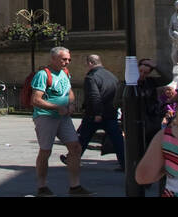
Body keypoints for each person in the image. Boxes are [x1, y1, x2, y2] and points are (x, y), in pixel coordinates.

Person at [31, 47, 90, 197]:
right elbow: (36, 99)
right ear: (53, 59)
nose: (67, 62)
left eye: (69, 59)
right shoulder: (43, 75)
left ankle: (75, 186)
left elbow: (69, 92)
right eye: (64, 59)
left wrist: (70, 104)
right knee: (46, 151)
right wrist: (57, 107)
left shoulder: (65, 73)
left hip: (63, 117)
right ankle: (42, 187)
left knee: (75, 148)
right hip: (45, 117)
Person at [78, 54, 124, 169]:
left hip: (95, 114)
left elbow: (94, 96)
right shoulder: (112, 76)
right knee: (117, 139)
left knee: (83, 137)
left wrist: (97, 113)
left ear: (90, 63)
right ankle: (125, 162)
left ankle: (72, 158)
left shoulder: (91, 77)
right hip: (111, 112)